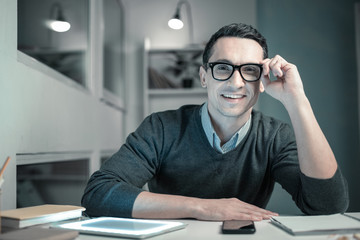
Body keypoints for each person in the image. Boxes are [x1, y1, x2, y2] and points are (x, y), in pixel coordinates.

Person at [81, 23, 349, 221]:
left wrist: (296, 99)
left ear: (262, 81)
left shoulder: (275, 136)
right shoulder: (161, 128)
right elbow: (99, 193)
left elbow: (328, 206)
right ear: (204, 76)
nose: (236, 82)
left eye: (250, 70)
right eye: (223, 68)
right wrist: (202, 207)